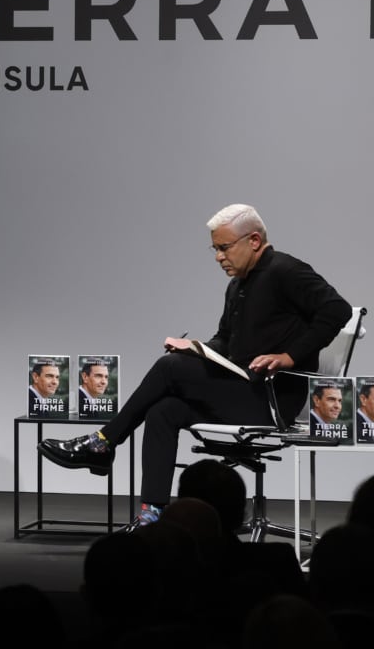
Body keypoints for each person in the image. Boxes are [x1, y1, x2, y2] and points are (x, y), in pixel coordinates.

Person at [39, 203, 351, 529]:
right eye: (215, 249)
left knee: (169, 368)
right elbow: (226, 341)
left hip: (272, 400)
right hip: (242, 392)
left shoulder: (286, 270)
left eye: (224, 247)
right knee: (165, 410)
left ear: (254, 240)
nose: (218, 257)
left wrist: (290, 355)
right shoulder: (238, 285)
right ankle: (152, 515)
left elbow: (337, 310)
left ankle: (103, 443)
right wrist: (196, 349)